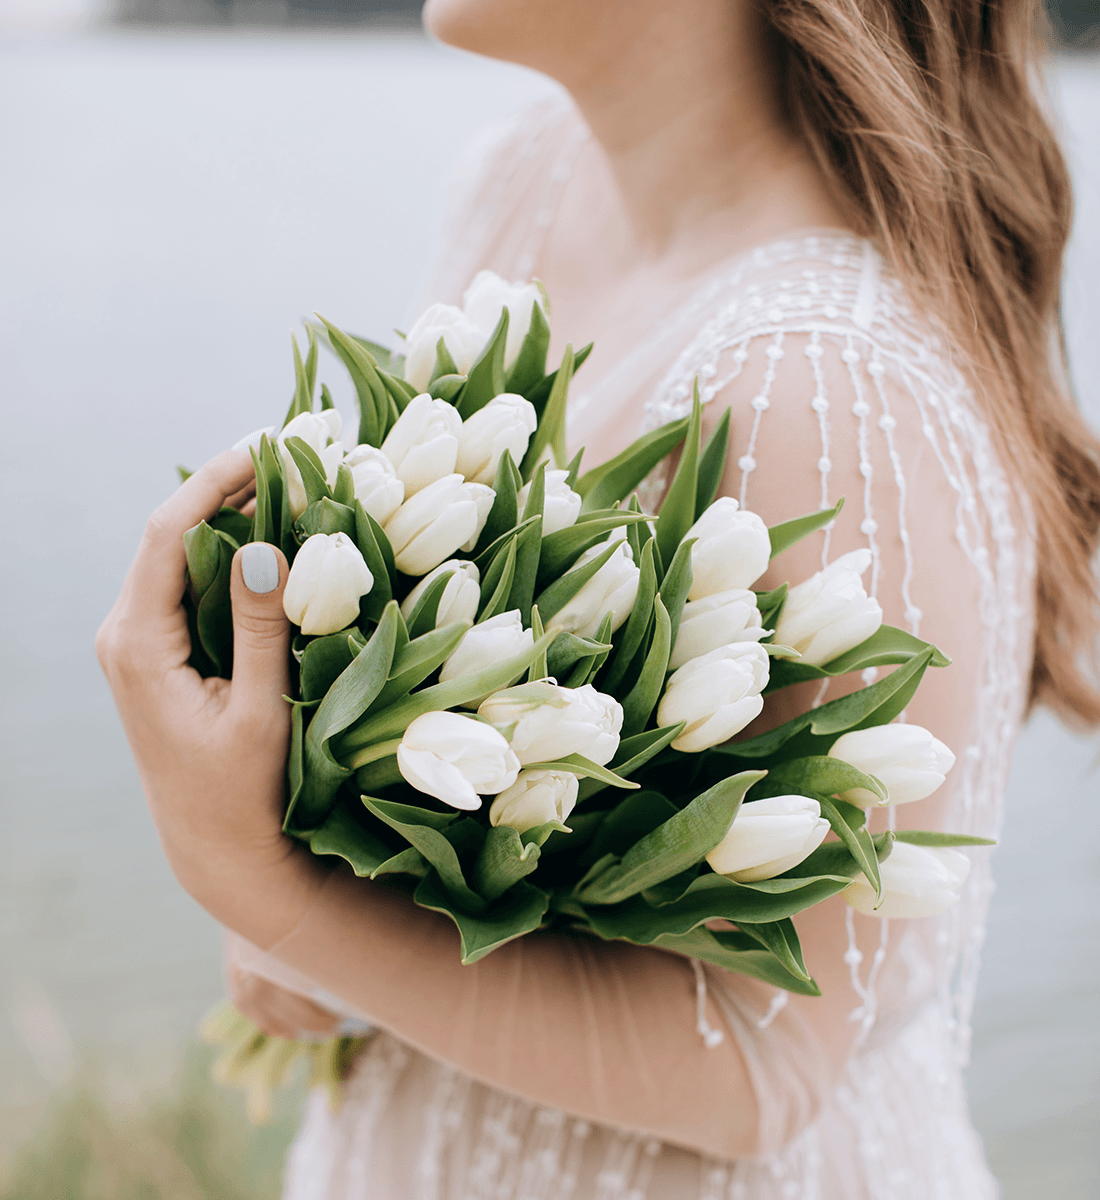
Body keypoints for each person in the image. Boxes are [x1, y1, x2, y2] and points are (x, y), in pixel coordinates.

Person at [97, 1, 1100, 1197]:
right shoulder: (521, 176)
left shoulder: (826, 387)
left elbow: (761, 1065)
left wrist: (265, 892)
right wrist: (325, 895)